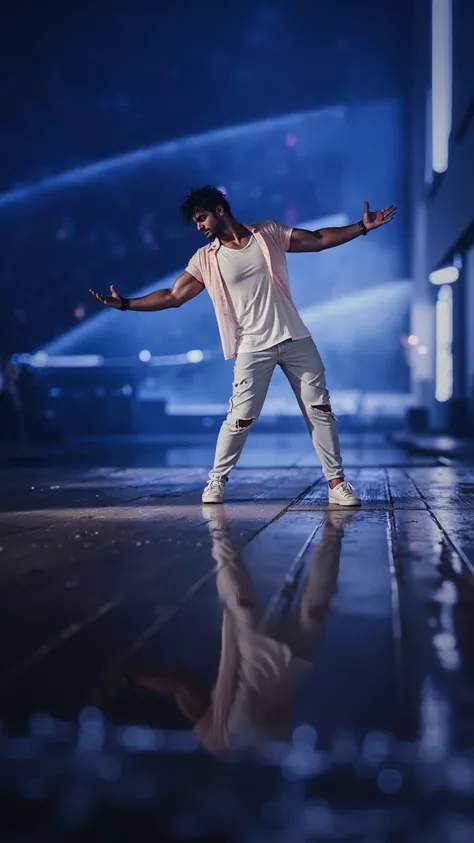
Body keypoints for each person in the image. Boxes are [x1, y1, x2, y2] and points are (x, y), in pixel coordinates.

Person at [90, 186, 396, 505]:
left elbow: (318, 240)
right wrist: (126, 304)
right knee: (240, 417)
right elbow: (173, 295)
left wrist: (361, 227)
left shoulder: (267, 233)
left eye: (202, 218)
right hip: (253, 344)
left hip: (295, 337)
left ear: (220, 210)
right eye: (196, 222)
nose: (199, 226)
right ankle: (216, 481)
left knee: (320, 410)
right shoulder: (206, 259)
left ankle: (336, 484)